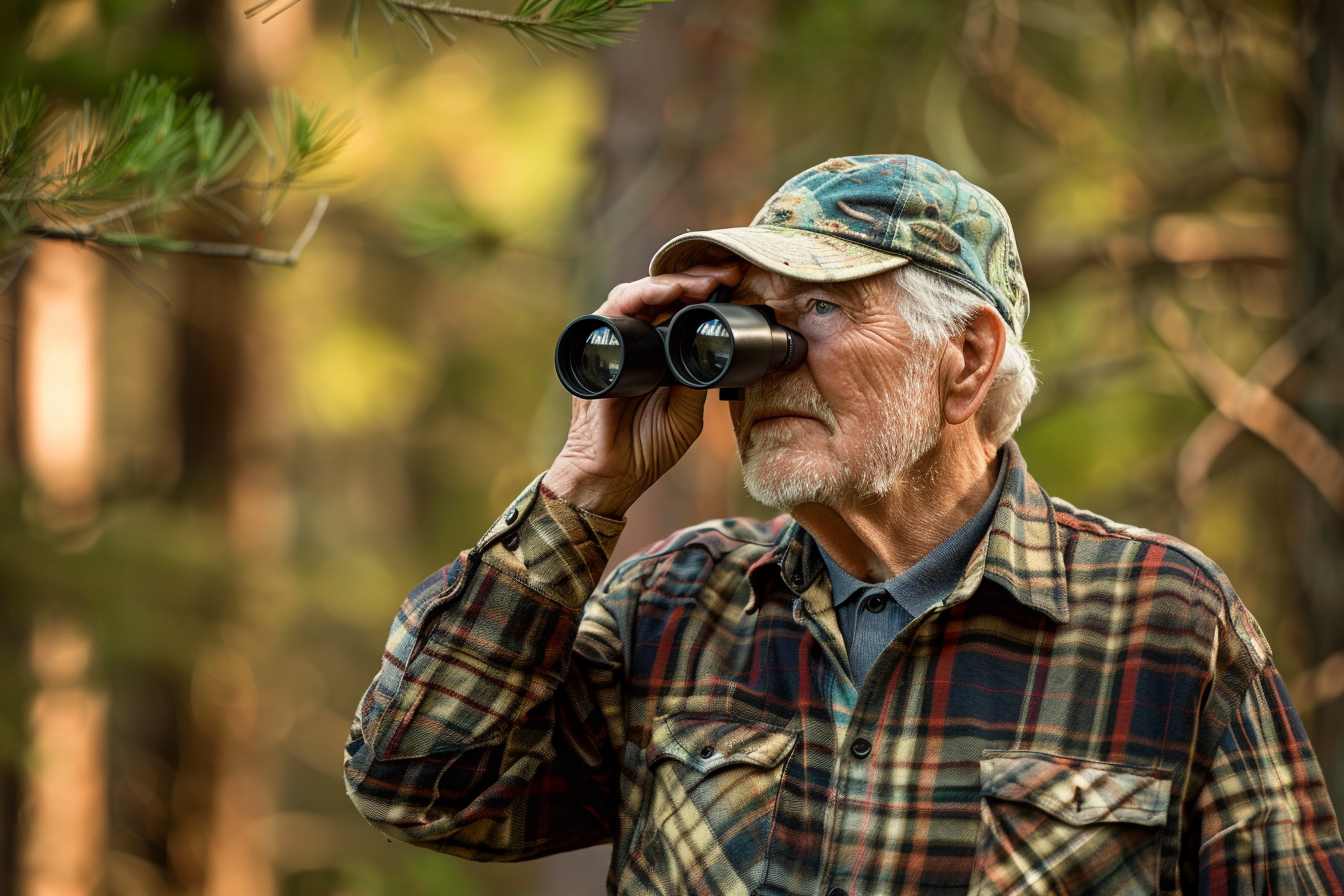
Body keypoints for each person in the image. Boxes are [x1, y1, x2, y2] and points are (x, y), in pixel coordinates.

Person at [343, 155, 1344, 894]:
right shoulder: (676, 607)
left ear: (966, 358)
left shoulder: (1164, 623)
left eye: (818, 308)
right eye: (744, 319)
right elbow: (417, 784)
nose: (762, 359)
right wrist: (584, 485)